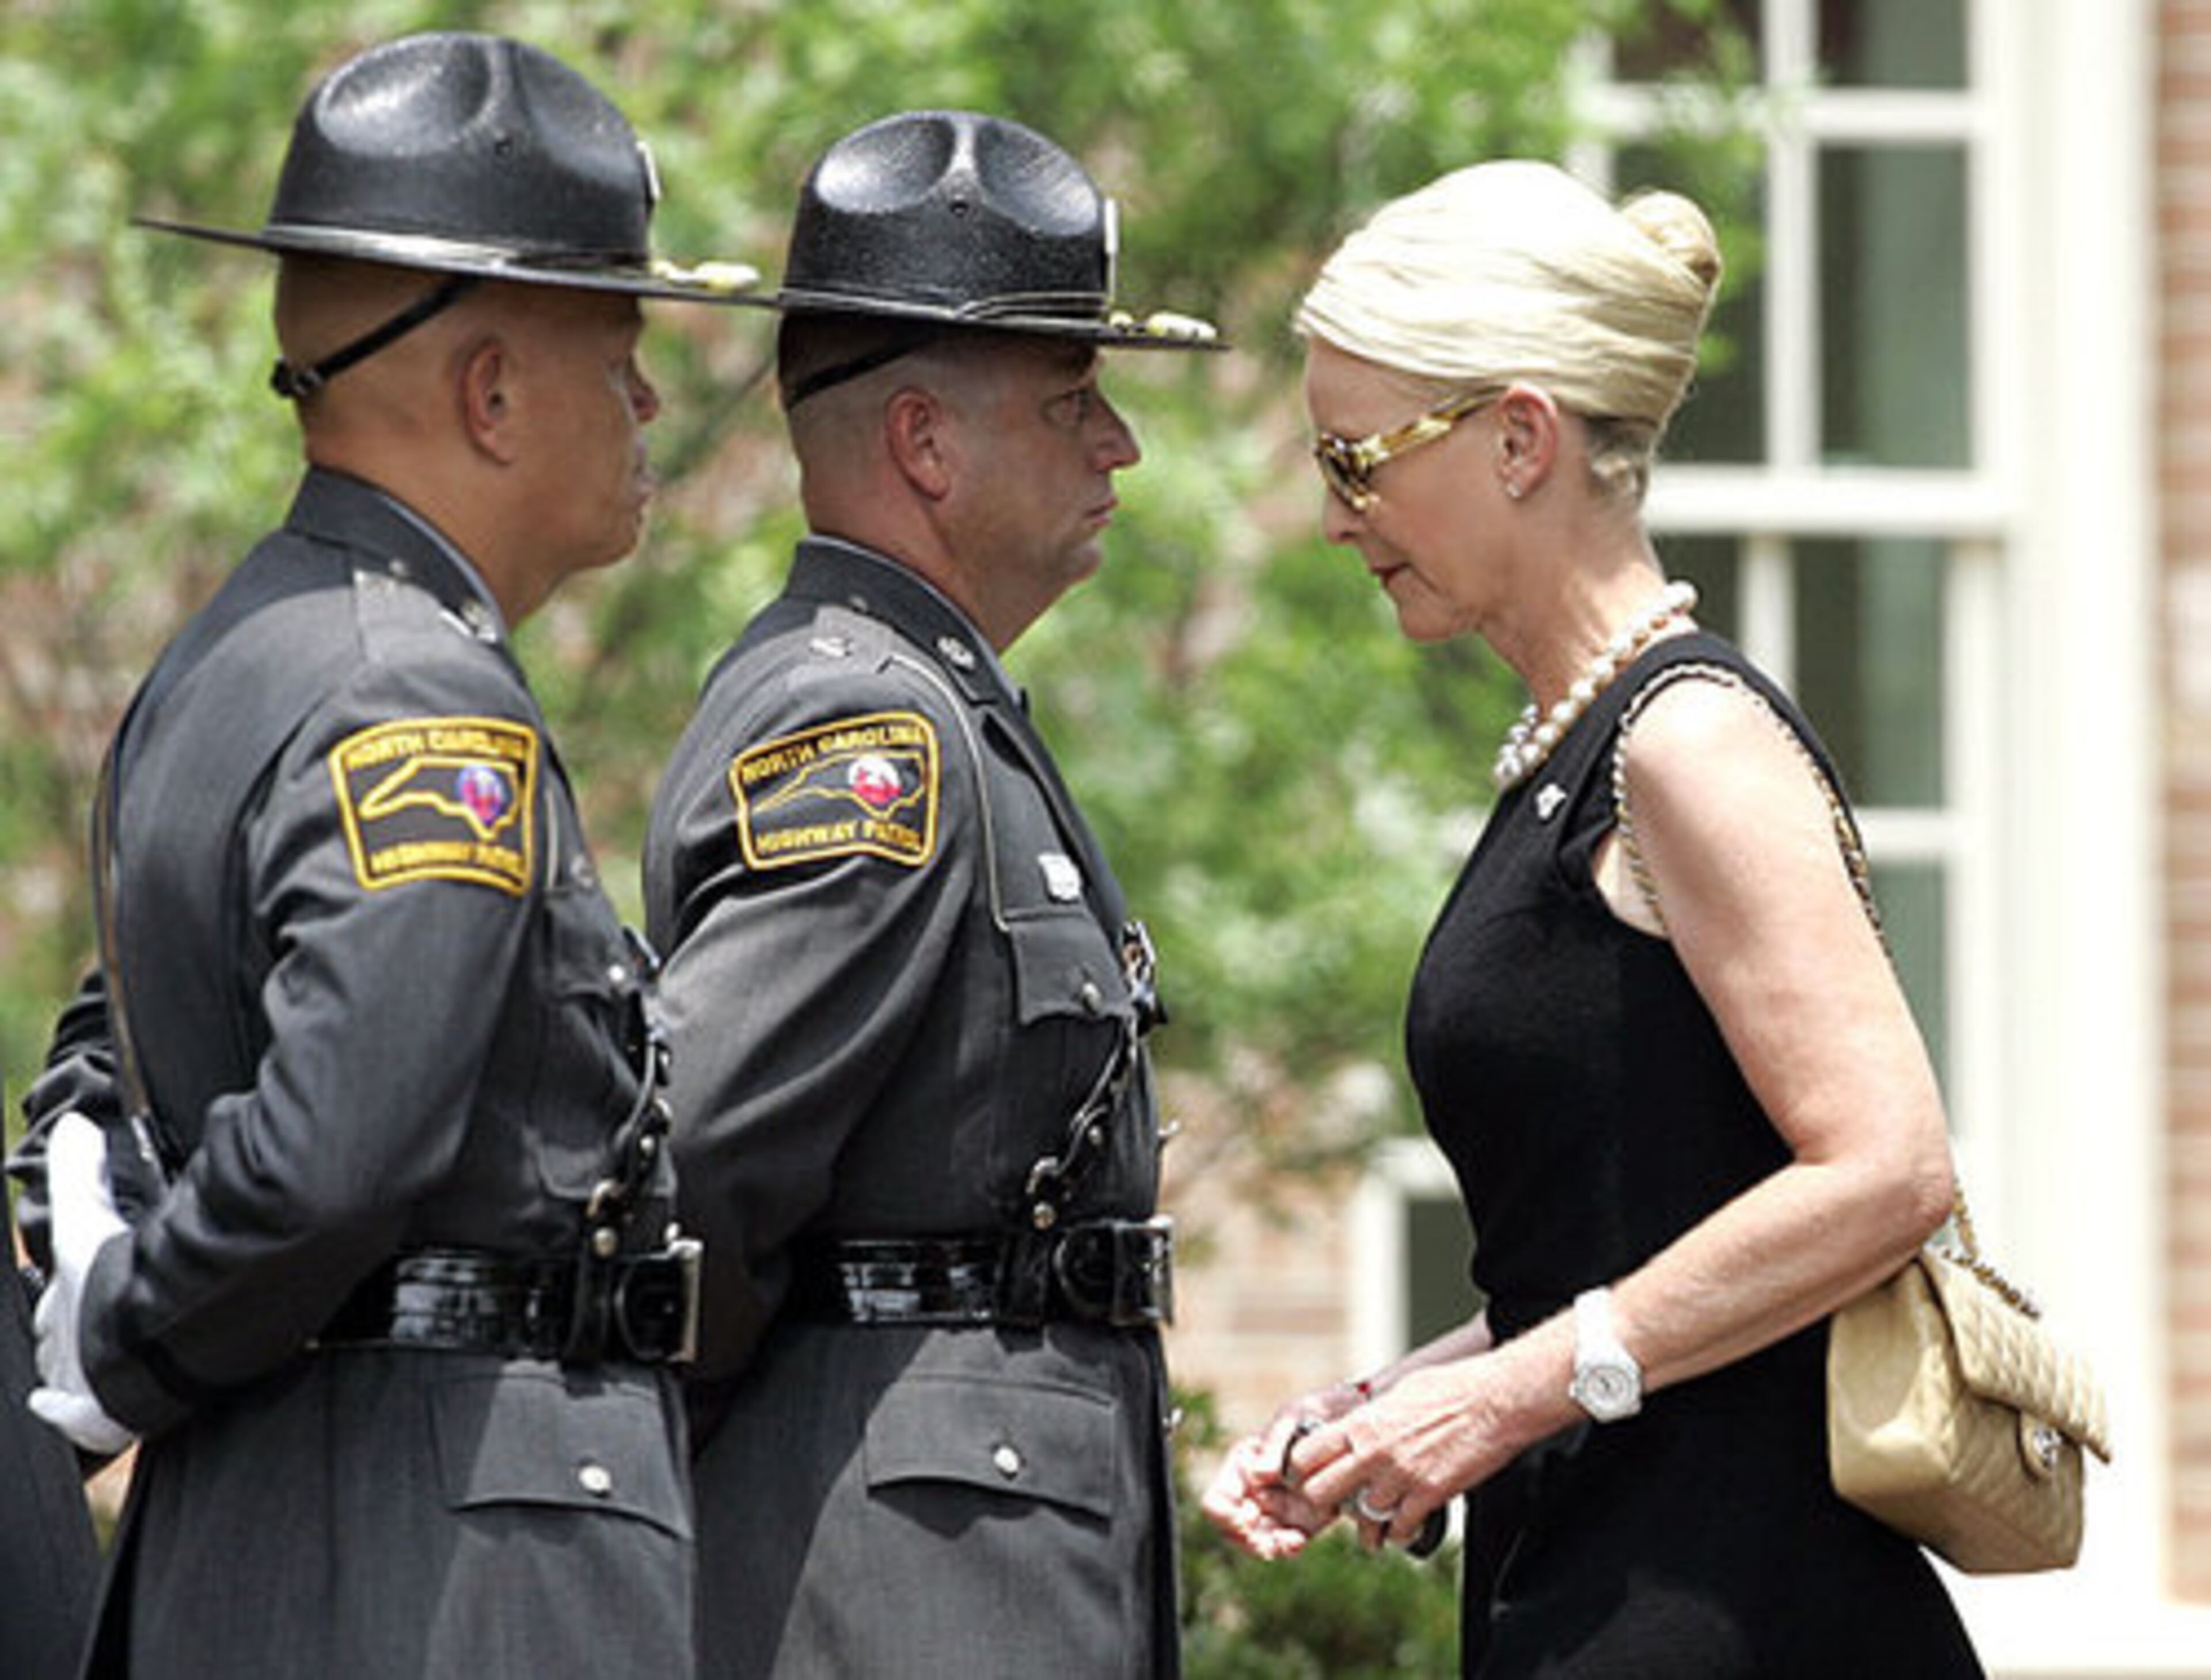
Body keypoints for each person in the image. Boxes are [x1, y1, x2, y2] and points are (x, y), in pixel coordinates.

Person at [9, 32, 763, 1677]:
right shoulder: (417, 689)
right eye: (619, 348)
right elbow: (336, 1149)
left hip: (294, 1532)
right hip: (454, 1566)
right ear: (490, 393)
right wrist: (117, 1335)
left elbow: (123, 1038)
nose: (648, 400)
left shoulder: (234, 653)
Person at [1200, 159, 1985, 1677]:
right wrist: (1407, 1404)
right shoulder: (1576, 752)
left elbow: (1890, 1167)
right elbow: (1629, 1235)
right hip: (1601, 1581)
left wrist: (1503, 1400)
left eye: (1359, 459)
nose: (1336, 514)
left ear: (1517, 439)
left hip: (1735, 1605)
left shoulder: (1683, 744)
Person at [642, 108, 1219, 1679]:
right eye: (1073, 400)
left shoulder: (940, 704)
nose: (1122, 446)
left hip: (972, 1543)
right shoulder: (871, 730)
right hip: (902, 1574)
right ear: (924, 443)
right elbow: (694, 1172)